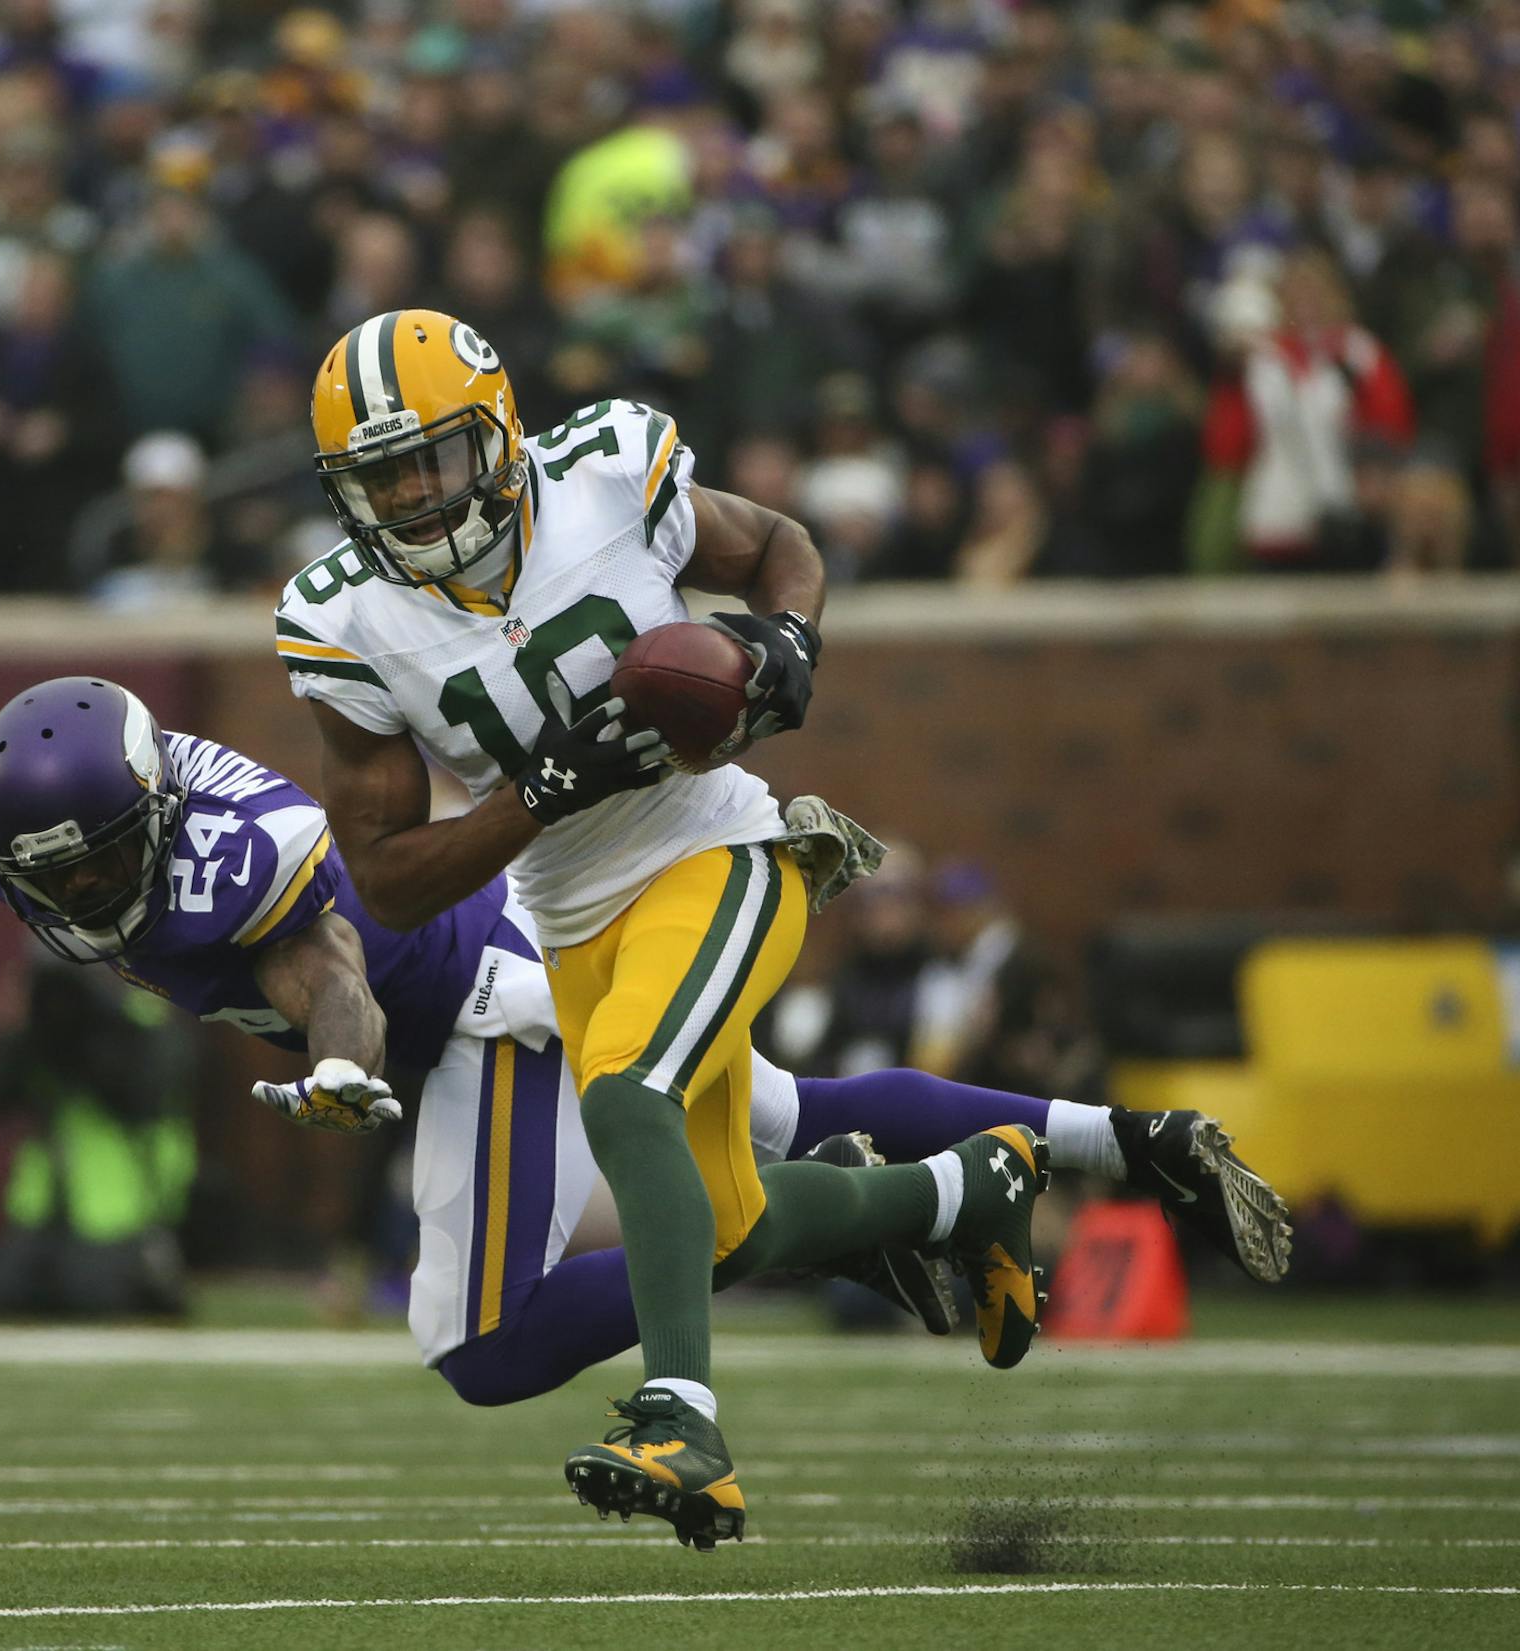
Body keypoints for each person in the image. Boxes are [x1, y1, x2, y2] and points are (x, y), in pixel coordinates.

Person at [0, 681, 1287, 1427]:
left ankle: (928, 1204)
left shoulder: (220, 850)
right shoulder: (17, 795)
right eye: (61, 873)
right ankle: (1114, 1145)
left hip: (486, 1012)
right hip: (492, 991)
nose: (87, 890)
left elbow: (323, 958)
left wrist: (337, 1065)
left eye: (104, 859)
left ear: (146, 809)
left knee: (488, 1334)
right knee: (773, 1108)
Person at [281, 309, 1283, 1547]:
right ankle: (959, 1192)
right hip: (568, 921)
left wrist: (790, 639)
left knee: (629, 1094)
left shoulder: (603, 473)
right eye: (380, 476)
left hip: (719, 850)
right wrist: (542, 789)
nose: (415, 496)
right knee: (730, 1224)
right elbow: (387, 881)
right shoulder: (346, 619)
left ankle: (681, 1419)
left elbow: (777, 546)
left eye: (430, 457)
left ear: (497, 431)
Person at [0, 958, 195, 1319]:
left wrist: (95, 1034)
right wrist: (12, 1033)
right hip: (41, 1207)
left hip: (119, 1206)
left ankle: (151, 1266)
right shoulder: (37, 1025)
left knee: (95, 1296)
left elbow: (141, 1099)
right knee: (3, 1294)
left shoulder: (143, 1015)